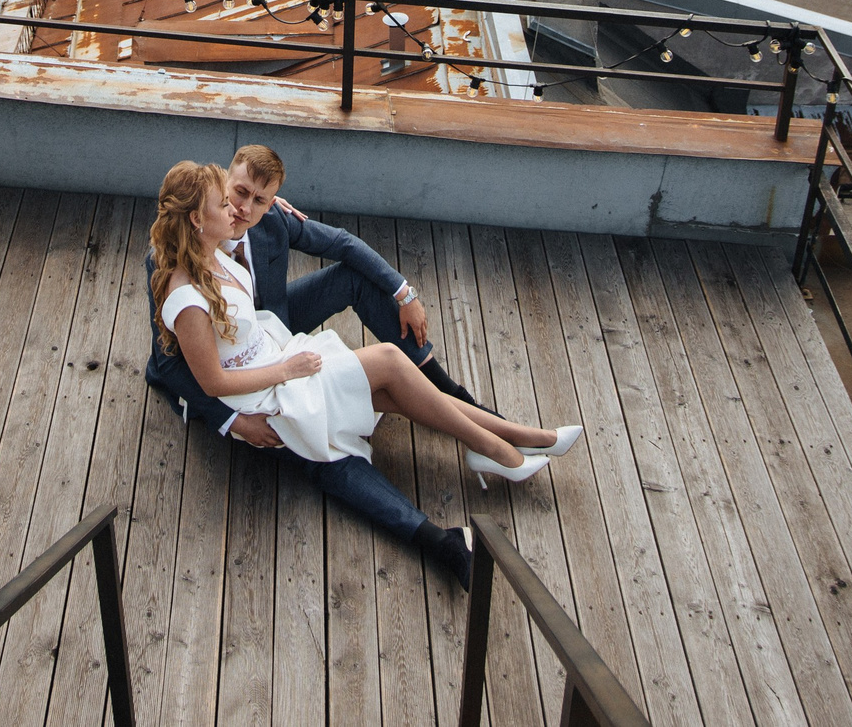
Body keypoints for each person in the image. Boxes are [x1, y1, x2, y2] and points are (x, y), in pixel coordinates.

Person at [148, 156, 581, 589]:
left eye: (257, 200)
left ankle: (516, 434)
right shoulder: (177, 274)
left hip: (275, 344)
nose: (239, 209)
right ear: (199, 215)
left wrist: (404, 291)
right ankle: (489, 455)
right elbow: (180, 367)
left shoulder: (246, 226)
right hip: (260, 386)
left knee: (391, 385)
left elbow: (339, 243)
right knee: (374, 384)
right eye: (232, 198)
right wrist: (235, 420)